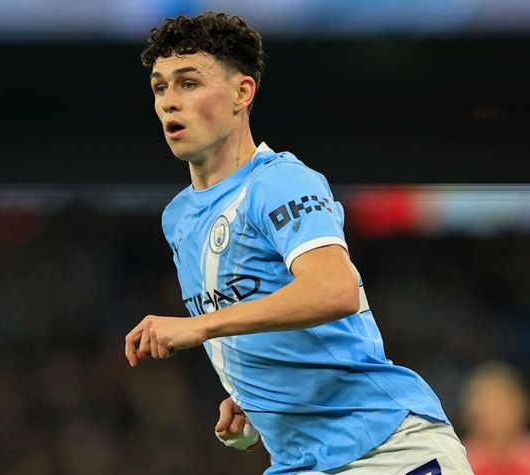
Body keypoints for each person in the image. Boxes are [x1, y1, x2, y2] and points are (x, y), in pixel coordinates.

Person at [124, 12, 474, 475]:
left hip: (388, 450)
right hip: (298, 462)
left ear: (242, 93)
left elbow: (334, 290)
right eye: (160, 87)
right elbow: (262, 316)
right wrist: (256, 400)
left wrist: (200, 327)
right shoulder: (178, 219)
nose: (170, 102)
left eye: (189, 83)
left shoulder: (280, 181)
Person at [460, 361, 530, 475]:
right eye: (487, 405)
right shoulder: (459, 458)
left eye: (501, 404)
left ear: (520, 406)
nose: (495, 414)